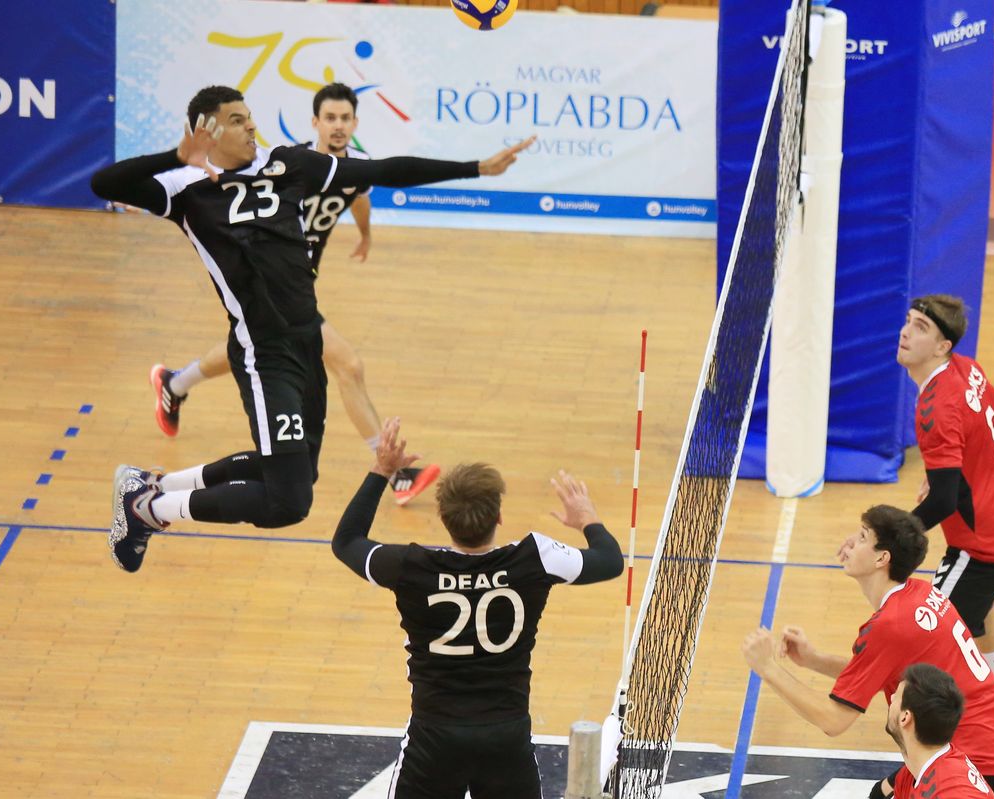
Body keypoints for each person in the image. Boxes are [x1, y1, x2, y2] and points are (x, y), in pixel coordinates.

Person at [91, 85, 532, 572]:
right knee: (288, 502)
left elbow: (382, 171)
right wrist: (174, 157)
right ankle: (149, 509)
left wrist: (476, 168)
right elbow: (104, 183)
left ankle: (152, 485)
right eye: (237, 120)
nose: (251, 125)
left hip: (308, 343)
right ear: (207, 132)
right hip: (264, 354)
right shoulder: (184, 188)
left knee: (294, 470)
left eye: (249, 116)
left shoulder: (288, 163)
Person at [147, 82, 459, 504]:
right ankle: (397, 476)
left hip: (295, 287)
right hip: (263, 280)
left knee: (248, 345)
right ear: (315, 123)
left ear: (355, 124)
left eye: (345, 118)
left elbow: (359, 196)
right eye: (330, 118)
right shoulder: (292, 165)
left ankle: (175, 383)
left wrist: (365, 234)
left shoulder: (352, 169)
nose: (337, 126)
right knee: (348, 365)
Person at [331, 418, 624, 798]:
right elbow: (610, 561)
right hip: (505, 739)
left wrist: (381, 470)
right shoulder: (535, 558)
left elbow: (346, 541)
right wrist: (587, 519)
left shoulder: (410, 567)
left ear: (443, 517)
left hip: (433, 740)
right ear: (498, 516)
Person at [740, 505, 994, 798]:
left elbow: (833, 720)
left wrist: (768, 668)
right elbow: (875, 672)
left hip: (971, 761)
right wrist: (813, 660)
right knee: (880, 794)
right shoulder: (920, 592)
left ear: (882, 558)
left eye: (862, 537)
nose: (850, 543)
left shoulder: (890, 625)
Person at [896, 294, 994, 715]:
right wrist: (951, 469)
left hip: (986, 543)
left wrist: (892, 538)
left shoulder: (935, 407)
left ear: (942, 346)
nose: (906, 332)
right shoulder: (966, 369)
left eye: (921, 328)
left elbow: (942, 502)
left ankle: (987, 716)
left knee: (932, 629)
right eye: (908, 321)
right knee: (979, 604)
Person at [887, 663, 994, 798]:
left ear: (905, 718)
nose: (891, 698)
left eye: (896, 696)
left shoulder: (952, 792)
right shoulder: (911, 775)